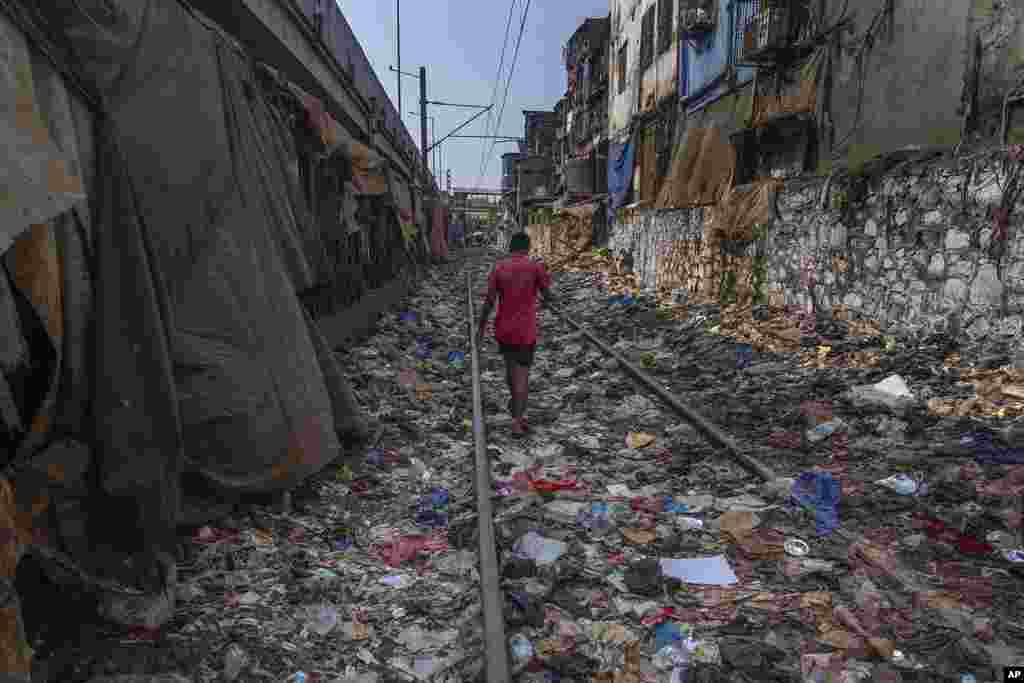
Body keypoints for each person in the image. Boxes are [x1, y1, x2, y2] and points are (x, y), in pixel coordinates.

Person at [476, 233, 554, 435]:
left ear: (510, 247)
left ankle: (515, 407)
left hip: (504, 329)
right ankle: (517, 422)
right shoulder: (535, 267)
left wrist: (481, 328)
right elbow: (548, 295)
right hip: (525, 331)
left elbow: (489, 301)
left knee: (511, 371)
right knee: (522, 377)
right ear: (527, 247)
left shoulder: (499, 268)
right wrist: (545, 295)